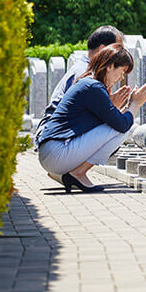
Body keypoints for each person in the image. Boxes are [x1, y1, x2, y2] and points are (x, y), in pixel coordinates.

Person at [36, 44, 146, 193]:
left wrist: (123, 107)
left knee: (119, 125)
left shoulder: (89, 83)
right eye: (121, 72)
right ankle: (78, 173)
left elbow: (106, 122)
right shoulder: (93, 87)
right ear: (110, 66)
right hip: (56, 152)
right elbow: (122, 125)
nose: (121, 78)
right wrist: (135, 104)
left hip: (52, 152)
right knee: (122, 130)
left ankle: (71, 173)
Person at [35, 25, 128, 184]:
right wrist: (115, 109)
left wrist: (109, 107)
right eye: (117, 50)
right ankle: (75, 172)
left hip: (53, 140)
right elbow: (77, 116)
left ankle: (66, 171)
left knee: (114, 123)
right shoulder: (85, 73)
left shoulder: (86, 70)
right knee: (118, 127)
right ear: (103, 50)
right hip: (57, 141)